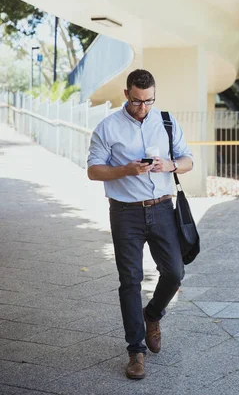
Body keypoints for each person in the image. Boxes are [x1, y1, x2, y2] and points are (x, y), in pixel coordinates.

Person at [87, 69, 193, 380]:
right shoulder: (108, 127)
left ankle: (153, 315)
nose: (143, 107)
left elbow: (187, 160)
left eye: (148, 101)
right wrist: (125, 170)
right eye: (136, 101)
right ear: (126, 95)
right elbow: (93, 170)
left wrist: (170, 165)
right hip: (125, 212)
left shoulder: (168, 121)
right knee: (130, 280)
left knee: (175, 272)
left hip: (162, 209)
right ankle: (135, 351)